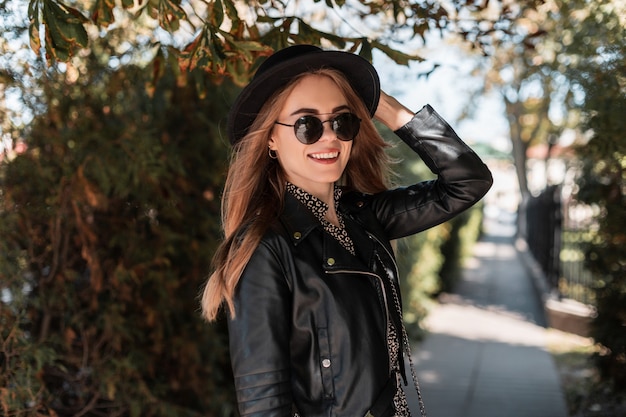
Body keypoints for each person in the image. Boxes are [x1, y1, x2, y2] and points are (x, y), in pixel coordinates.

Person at [201, 44, 493, 417]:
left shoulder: (364, 218)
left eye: (343, 121)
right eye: (307, 124)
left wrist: (384, 107)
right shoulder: (265, 246)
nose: (330, 138)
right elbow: (263, 403)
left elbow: (468, 182)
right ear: (270, 137)